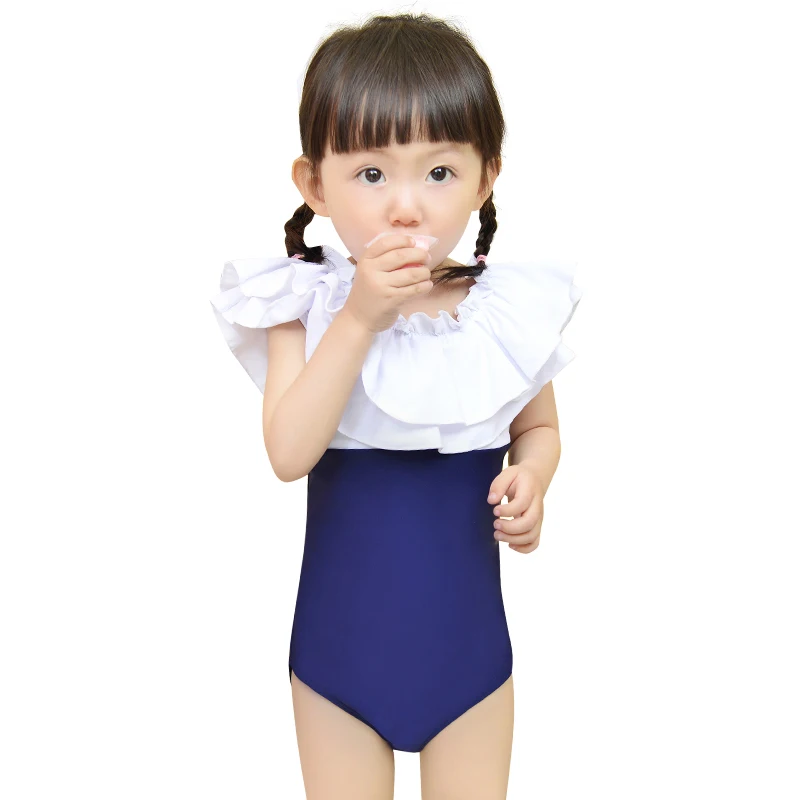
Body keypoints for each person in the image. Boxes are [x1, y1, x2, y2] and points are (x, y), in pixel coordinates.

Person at [210, 12, 582, 800]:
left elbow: (539, 427)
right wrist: (358, 319)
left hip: (470, 663)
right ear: (315, 184)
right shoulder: (300, 306)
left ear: (485, 178)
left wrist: (534, 477)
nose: (406, 206)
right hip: (337, 662)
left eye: (439, 172)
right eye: (372, 174)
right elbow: (288, 454)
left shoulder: (499, 314)